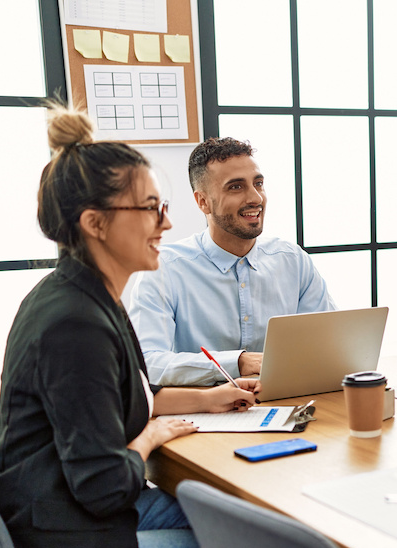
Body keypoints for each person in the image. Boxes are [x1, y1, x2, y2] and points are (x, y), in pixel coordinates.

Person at [0, 107, 304, 548]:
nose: (167, 222)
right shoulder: (76, 323)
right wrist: (151, 438)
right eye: (150, 207)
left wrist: (196, 400)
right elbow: (103, 484)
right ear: (95, 223)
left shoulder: (84, 297)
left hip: (49, 514)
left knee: (231, 519)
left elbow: (118, 406)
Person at [126, 137, 336, 386]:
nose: (255, 197)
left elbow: (329, 345)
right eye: (236, 187)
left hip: (286, 404)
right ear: (203, 201)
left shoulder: (292, 260)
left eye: (258, 184)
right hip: (203, 413)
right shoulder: (164, 269)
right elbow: (147, 363)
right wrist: (238, 362)